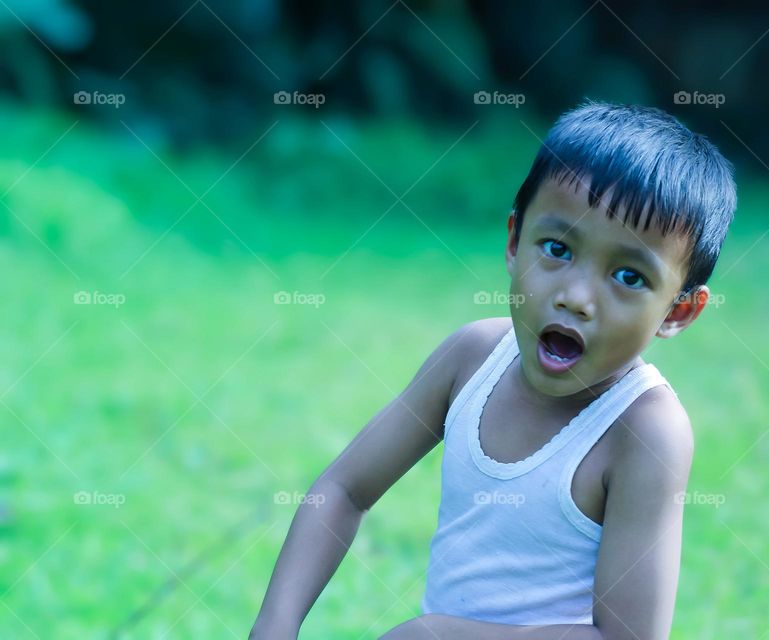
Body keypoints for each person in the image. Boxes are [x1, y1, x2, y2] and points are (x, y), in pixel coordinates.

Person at [250, 100, 737, 640]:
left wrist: (437, 634)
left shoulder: (645, 431)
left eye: (627, 276)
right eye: (556, 248)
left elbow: (628, 638)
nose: (576, 298)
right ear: (513, 241)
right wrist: (276, 625)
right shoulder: (471, 359)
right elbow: (343, 489)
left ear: (678, 310)